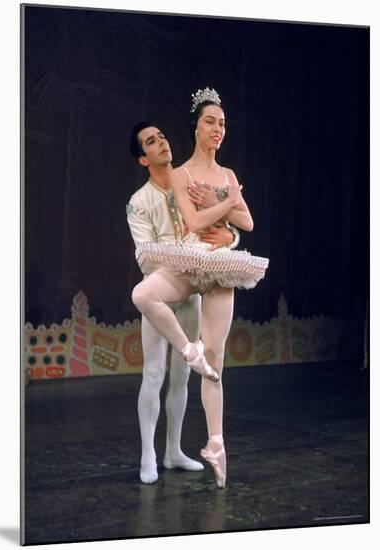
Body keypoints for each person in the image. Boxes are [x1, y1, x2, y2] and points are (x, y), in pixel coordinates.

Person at [132, 88, 269, 488]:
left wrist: (225, 216)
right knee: (146, 306)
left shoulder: (226, 175)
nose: (217, 128)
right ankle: (185, 353)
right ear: (195, 128)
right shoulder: (181, 175)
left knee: (216, 361)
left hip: (220, 268)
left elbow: (248, 224)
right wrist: (227, 203)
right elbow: (194, 223)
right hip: (185, 264)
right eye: (210, 121)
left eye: (222, 123)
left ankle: (215, 443)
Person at [127, 121, 238, 484]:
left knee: (182, 378)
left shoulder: (188, 182)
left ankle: (173, 451)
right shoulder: (139, 202)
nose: (161, 143)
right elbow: (145, 258)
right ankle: (148, 455)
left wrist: (230, 236)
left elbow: (217, 226)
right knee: (154, 373)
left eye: (162, 136)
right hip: (160, 292)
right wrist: (182, 262)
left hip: (191, 294)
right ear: (143, 159)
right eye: (151, 142)